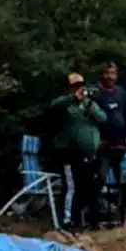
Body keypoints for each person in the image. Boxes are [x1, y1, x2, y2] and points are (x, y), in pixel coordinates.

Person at [49, 73, 108, 232]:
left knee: (86, 187)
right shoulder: (64, 104)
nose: (79, 89)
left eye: (81, 85)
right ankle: (66, 221)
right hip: (68, 152)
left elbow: (103, 118)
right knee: (71, 186)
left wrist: (88, 105)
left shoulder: (89, 103)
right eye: (75, 86)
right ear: (69, 88)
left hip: (87, 155)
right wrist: (73, 98)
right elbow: (54, 106)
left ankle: (82, 219)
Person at [91, 62, 126, 206]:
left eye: (113, 73)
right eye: (107, 73)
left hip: (121, 143)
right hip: (103, 146)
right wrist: (96, 138)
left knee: (125, 178)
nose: (110, 77)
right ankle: (95, 210)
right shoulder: (95, 93)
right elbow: (91, 118)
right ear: (102, 74)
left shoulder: (122, 93)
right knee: (100, 177)